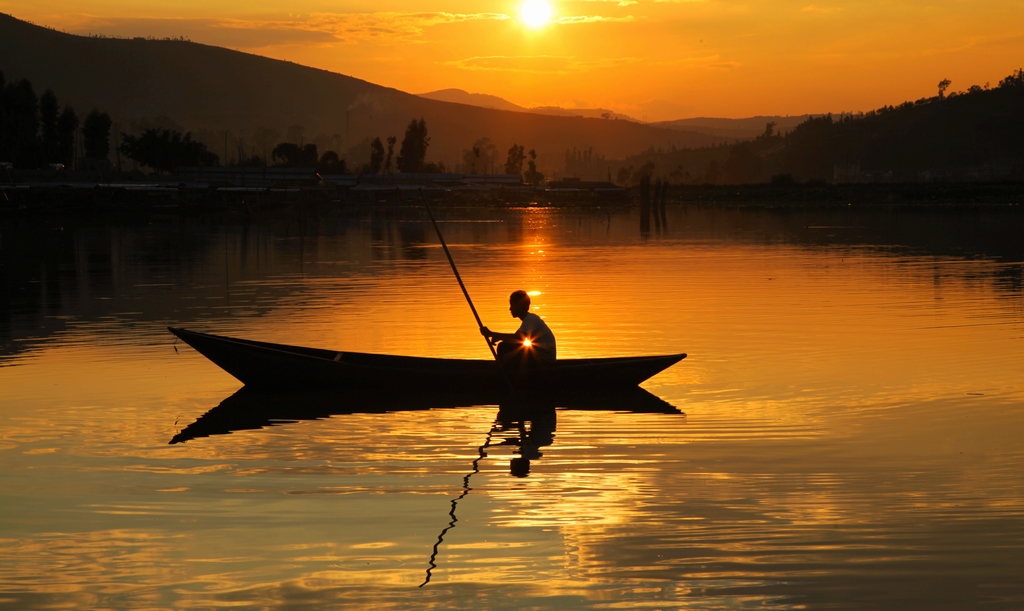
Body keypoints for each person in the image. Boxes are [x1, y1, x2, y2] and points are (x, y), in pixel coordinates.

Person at [480, 290, 556, 367]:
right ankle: (502, 366)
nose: (510, 309)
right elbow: (516, 339)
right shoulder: (528, 319)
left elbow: (518, 338)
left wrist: (491, 334)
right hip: (540, 356)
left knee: (506, 348)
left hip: (545, 359)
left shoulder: (531, 319)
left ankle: (503, 369)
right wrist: (499, 337)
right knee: (503, 346)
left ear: (519, 305)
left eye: (512, 305)